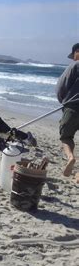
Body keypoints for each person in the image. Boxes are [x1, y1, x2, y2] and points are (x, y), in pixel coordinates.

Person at [56, 43, 79, 178]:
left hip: (73, 107)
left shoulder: (75, 65)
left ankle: (70, 157)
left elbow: (61, 87)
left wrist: (63, 101)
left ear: (77, 51)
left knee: (66, 137)